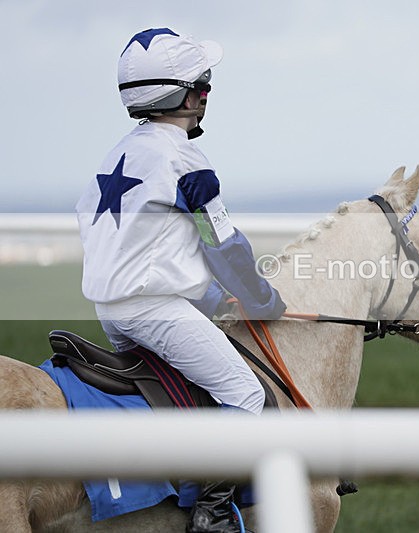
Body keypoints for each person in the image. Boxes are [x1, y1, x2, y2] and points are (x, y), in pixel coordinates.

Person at [75, 27, 285, 533]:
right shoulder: (185, 159)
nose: (207, 96)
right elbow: (224, 245)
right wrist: (261, 298)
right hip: (153, 311)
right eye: (204, 87)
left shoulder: (119, 154)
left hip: (114, 311)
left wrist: (211, 297)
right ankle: (212, 513)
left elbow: (150, 249)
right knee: (244, 393)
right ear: (188, 96)